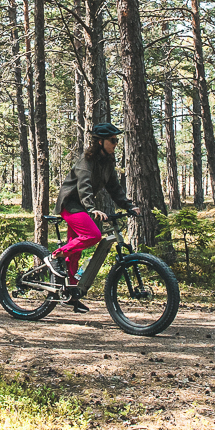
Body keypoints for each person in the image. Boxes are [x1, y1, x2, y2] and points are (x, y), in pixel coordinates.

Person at [50, 121, 140, 312]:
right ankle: (54, 257)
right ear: (100, 142)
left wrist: (128, 205)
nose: (116, 143)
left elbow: (114, 187)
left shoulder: (108, 162)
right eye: (112, 140)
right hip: (71, 204)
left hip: (83, 206)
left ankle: (71, 294)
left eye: (116, 140)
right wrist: (91, 208)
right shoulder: (86, 161)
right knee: (93, 235)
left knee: (75, 251)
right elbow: (84, 187)